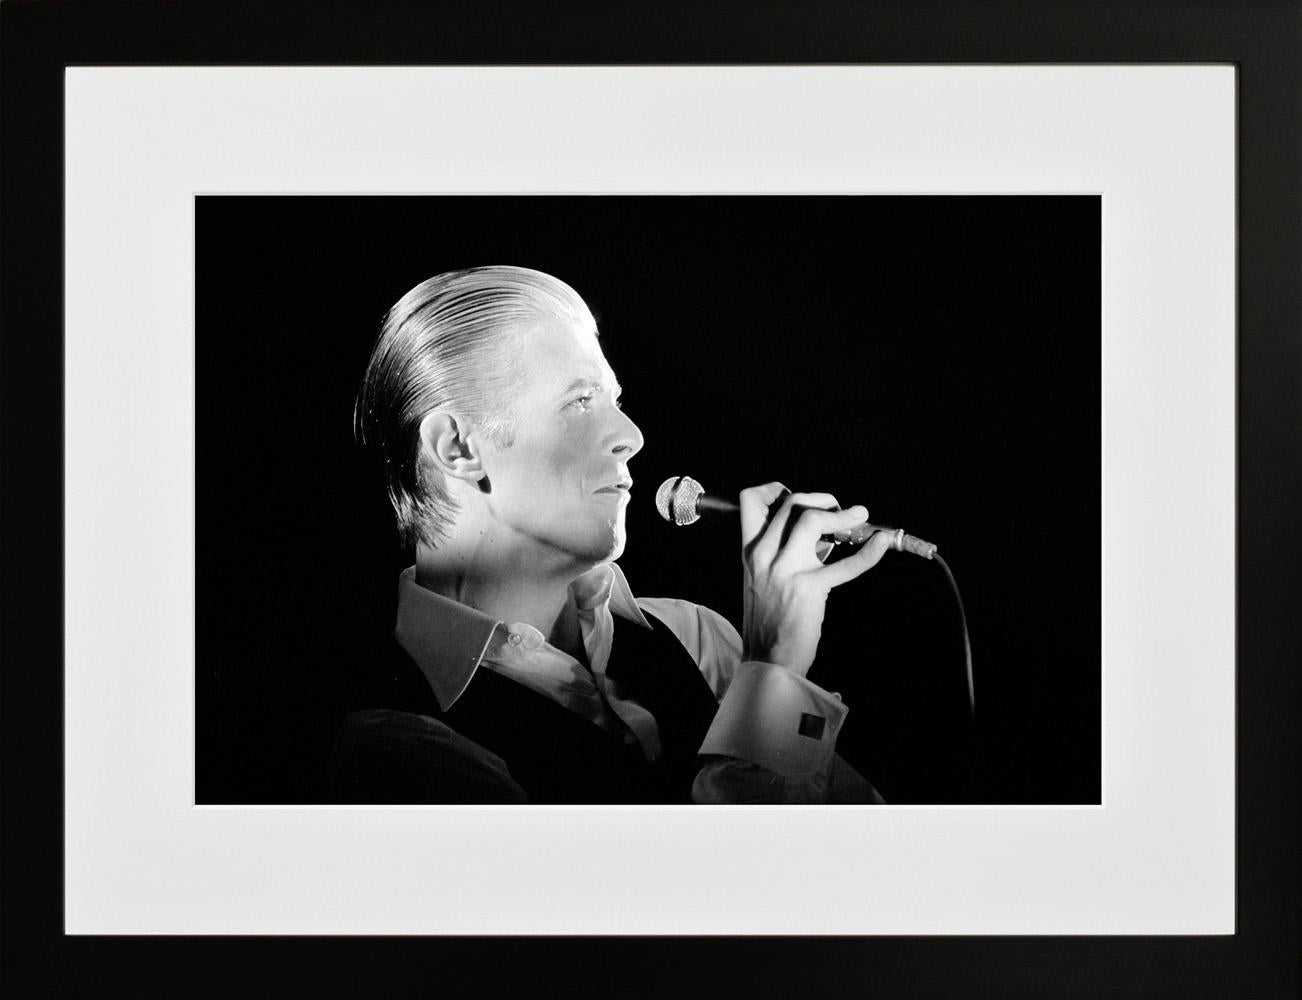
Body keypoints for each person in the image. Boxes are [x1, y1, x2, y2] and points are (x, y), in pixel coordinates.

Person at [329, 265, 895, 803]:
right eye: (579, 401)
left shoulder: (696, 637)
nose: (632, 435)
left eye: (614, 400)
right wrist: (772, 672)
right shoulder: (394, 749)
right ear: (458, 448)